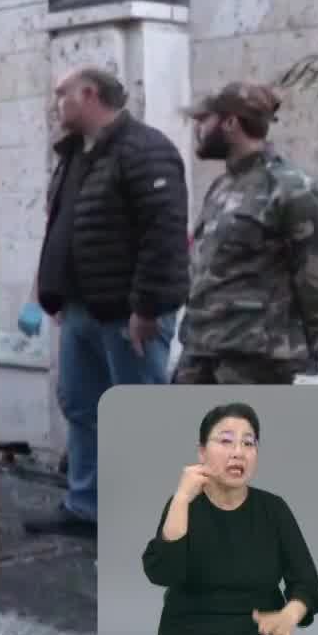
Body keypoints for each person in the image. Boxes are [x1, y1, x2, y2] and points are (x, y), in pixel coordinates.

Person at [22, 68, 191, 540]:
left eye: (62, 96)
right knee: (81, 407)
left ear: (89, 95)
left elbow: (164, 234)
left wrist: (147, 308)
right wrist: (47, 292)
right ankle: (87, 506)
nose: (56, 104)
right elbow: (63, 228)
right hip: (80, 310)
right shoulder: (76, 154)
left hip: (127, 314)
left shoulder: (145, 150)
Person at [176, 83, 318, 387]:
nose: (197, 128)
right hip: (201, 352)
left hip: (256, 361)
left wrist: (300, 345)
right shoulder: (222, 186)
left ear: (230, 123)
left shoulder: (291, 188)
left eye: (204, 120)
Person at [141, 402, 318, 635]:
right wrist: (181, 499)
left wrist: (289, 615)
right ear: (202, 452)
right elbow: (163, 573)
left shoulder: (273, 509)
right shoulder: (183, 504)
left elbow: (307, 583)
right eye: (225, 441)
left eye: (248, 443)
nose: (238, 452)